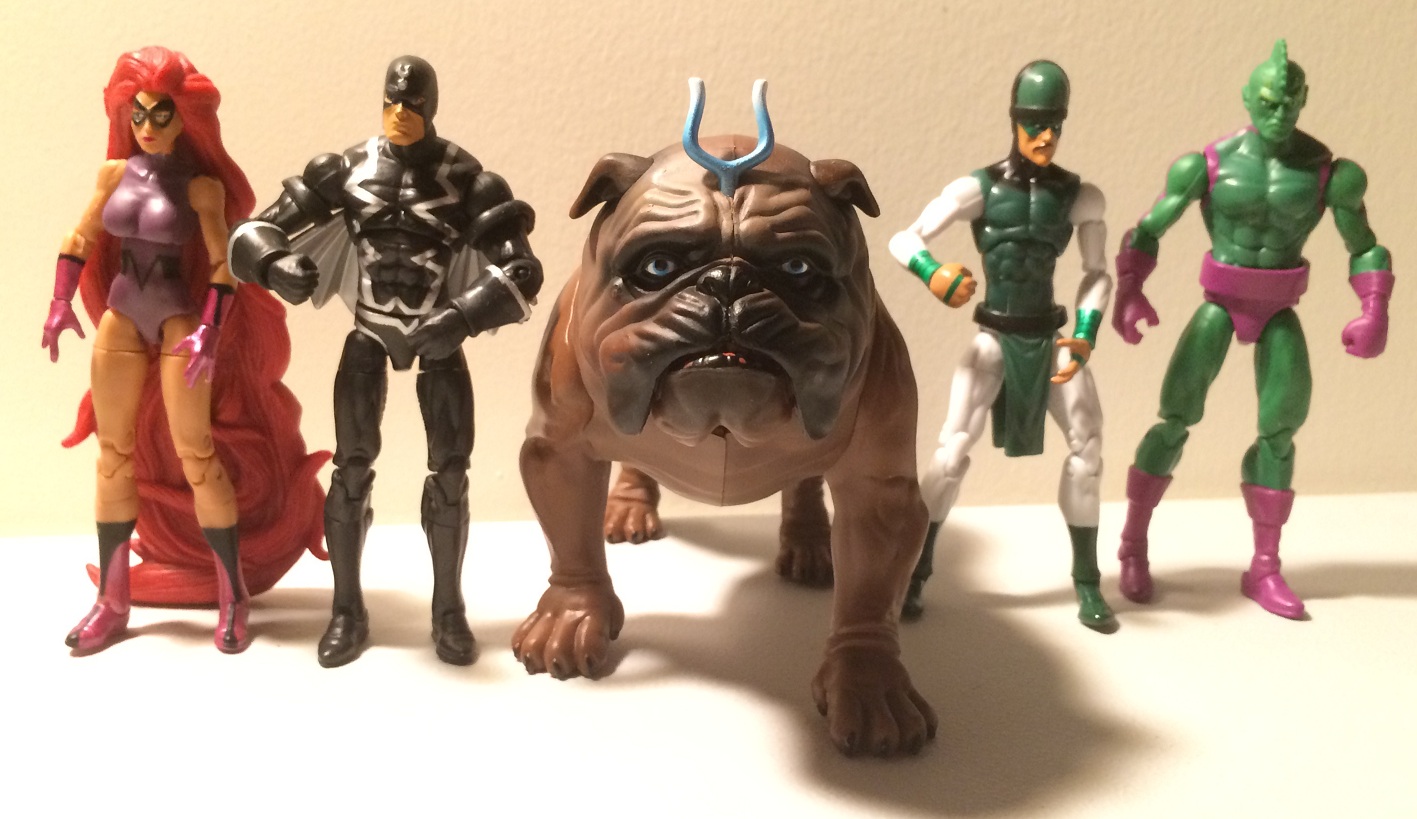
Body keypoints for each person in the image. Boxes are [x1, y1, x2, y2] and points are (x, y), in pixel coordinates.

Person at [229, 56, 543, 667]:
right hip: (368, 332)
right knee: (350, 470)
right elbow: (252, 231)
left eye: (413, 105)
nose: (400, 114)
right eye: (392, 102)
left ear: (431, 106)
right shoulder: (345, 169)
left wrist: (463, 315)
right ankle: (346, 610)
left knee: (450, 474)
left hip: (439, 336)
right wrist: (274, 263)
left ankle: (448, 611)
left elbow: (522, 271)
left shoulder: (469, 181)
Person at [43, 46, 327, 654]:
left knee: (197, 454)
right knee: (113, 457)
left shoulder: (201, 188)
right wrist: (60, 300)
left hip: (179, 322)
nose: (148, 126)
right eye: (139, 113)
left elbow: (224, 266)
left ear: (184, 118)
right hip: (122, 319)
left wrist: (211, 331)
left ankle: (232, 597)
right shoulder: (114, 175)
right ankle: (112, 600)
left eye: (162, 114)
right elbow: (79, 238)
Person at [1112, 41, 1394, 619]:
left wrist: (1375, 307)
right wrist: (1130, 288)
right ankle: (1132, 545)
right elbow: (1149, 228)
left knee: (1280, 433)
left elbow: (1365, 245)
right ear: (1247, 98)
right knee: (1174, 419)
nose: (1278, 112)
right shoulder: (1208, 164)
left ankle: (1264, 567)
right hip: (1219, 304)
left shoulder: (1328, 173)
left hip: (1279, 308)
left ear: (1304, 99)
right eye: (1267, 101)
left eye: (1289, 101)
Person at [888, 60, 1115, 631]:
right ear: (1015, 119)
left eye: (1054, 124)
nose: (1045, 136)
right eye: (1035, 123)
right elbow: (904, 238)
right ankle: (914, 572)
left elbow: (1097, 274)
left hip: (1052, 339)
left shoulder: (1079, 197)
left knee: (1089, 451)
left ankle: (1087, 581)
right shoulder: (979, 189)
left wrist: (1085, 334)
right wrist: (934, 273)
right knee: (950, 453)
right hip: (992, 339)